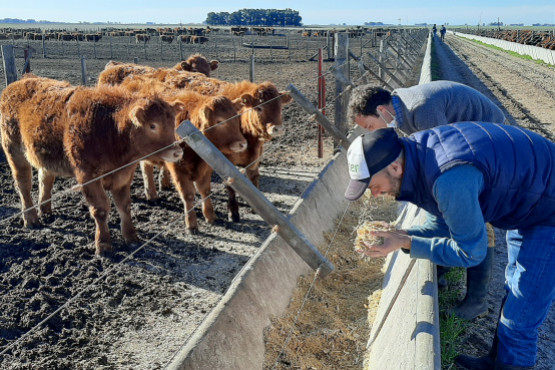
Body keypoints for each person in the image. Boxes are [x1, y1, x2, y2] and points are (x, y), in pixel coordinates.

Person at [344, 123, 555, 369]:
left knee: (522, 313)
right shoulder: (420, 155)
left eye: (372, 185)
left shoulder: (448, 179)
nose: (375, 194)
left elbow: (471, 253)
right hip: (533, 201)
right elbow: (442, 226)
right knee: (514, 287)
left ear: (394, 167)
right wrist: (399, 234)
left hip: (549, 212)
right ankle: (498, 362)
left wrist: (407, 242)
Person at [347, 80, 506, 320]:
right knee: (450, 209)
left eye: (370, 126)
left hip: (490, 139)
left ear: (381, 111)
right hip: (473, 138)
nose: (374, 132)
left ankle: (476, 300)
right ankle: (443, 268)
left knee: (478, 217)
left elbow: (445, 157)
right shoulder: (401, 108)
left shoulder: (422, 111)